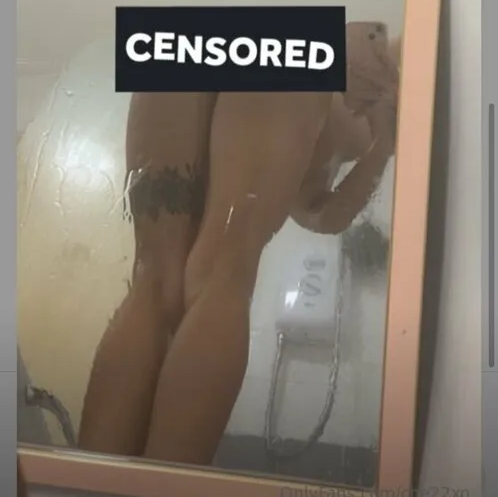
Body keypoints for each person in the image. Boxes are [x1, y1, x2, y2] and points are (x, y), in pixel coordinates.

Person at [78, 30, 399, 466]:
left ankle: (86, 481)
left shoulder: (334, 139)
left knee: (152, 279)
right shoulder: (390, 90)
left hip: (183, 42)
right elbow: (375, 45)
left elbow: (321, 213)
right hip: (284, 56)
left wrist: (381, 147)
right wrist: (383, 138)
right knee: (223, 274)